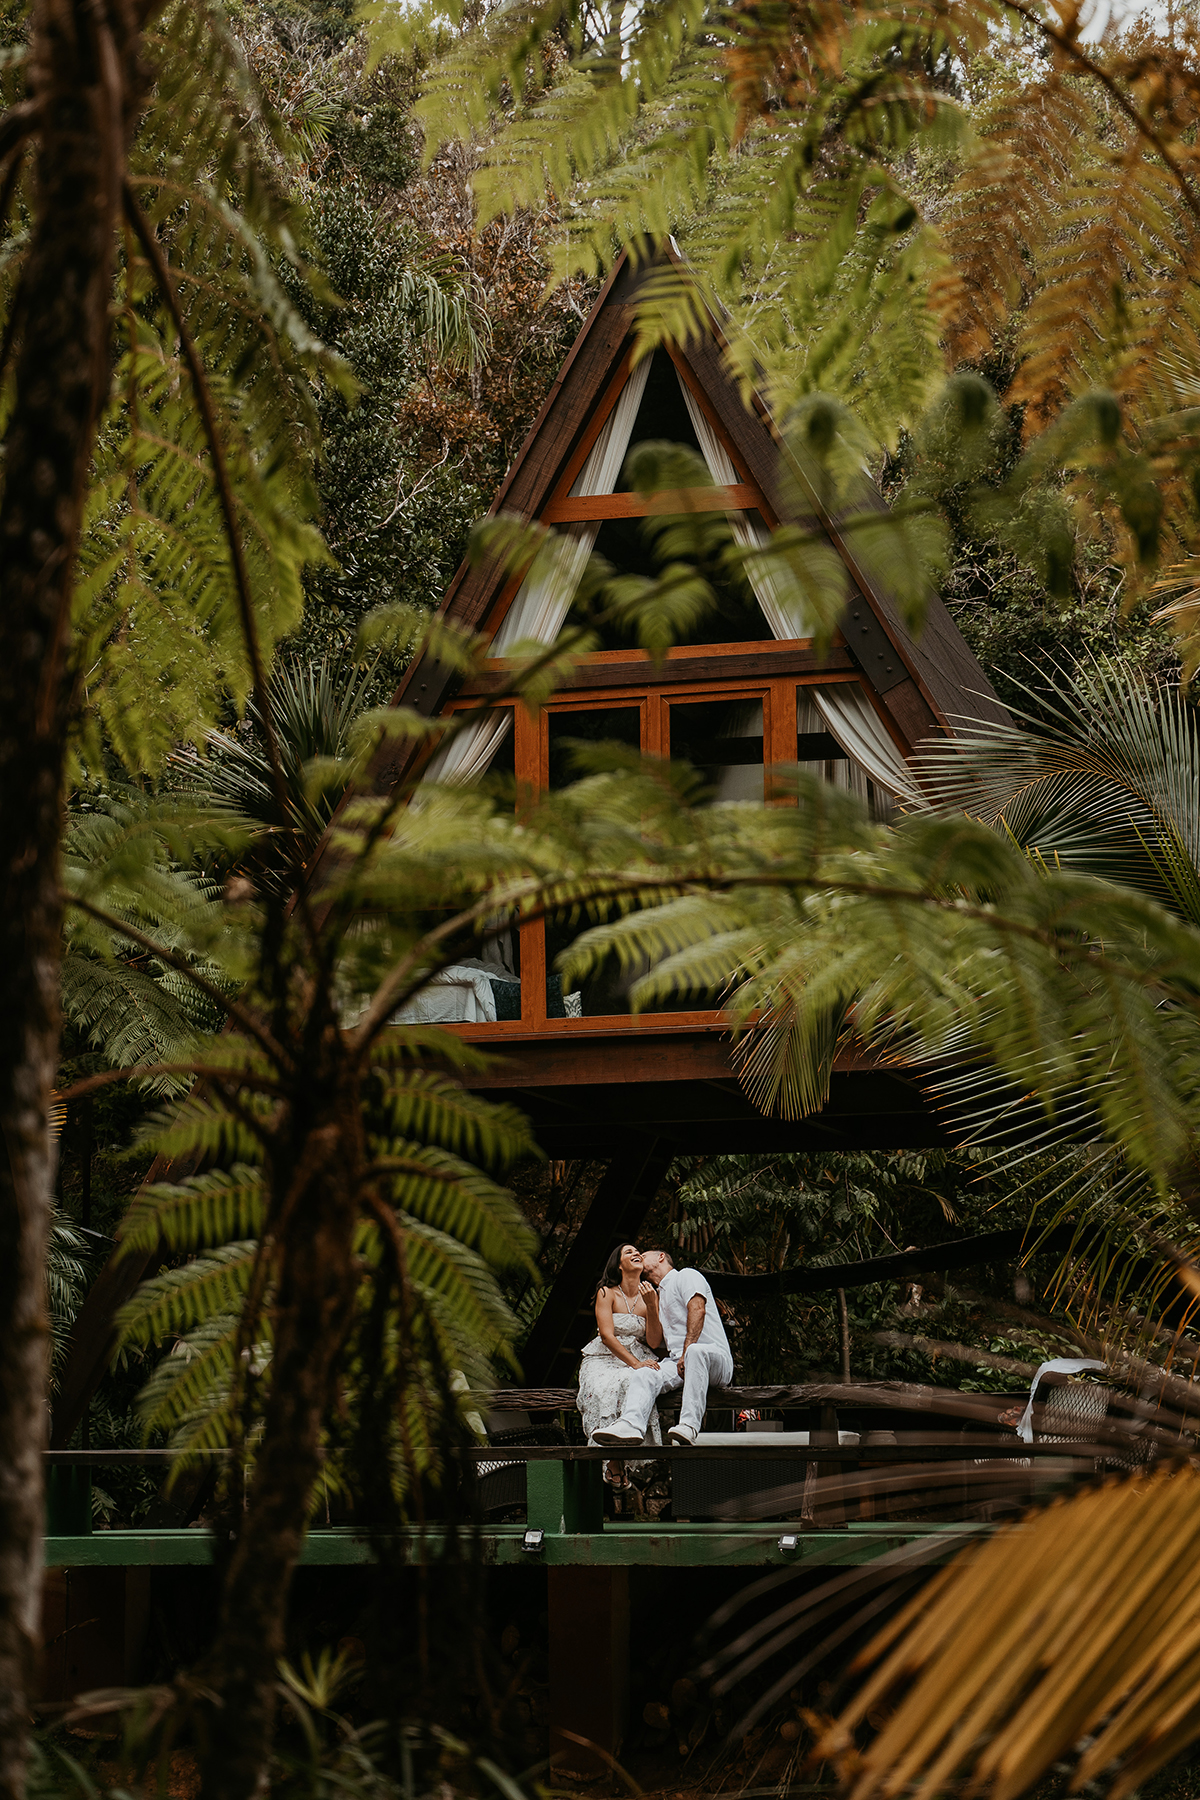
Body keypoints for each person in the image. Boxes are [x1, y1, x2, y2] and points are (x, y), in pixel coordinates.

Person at [593, 1249, 733, 1447]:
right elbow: (655, 1342)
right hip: (679, 1363)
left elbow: (698, 1309)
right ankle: (630, 1424)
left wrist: (686, 1352)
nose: (639, 1256)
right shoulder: (657, 1294)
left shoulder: (686, 1275)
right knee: (645, 1373)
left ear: (660, 1257)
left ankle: (689, 1426)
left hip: (713, 1358)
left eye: (644, 1254)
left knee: (694, 1352)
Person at [576, 1243, 665, 1485]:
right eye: (629, 1252)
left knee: (634, 1382)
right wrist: (635, 1363)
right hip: (605, 1357)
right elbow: (606, 1335)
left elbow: (655, 1341)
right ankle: (613, 1461)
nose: (636, 1253)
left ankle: (617, 1460)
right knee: (607, 1386)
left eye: (638, 1252)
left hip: (637, 1354)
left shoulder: (650, 1294)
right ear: (618, 1265)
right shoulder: (607, 1292)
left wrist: (653, 1306)